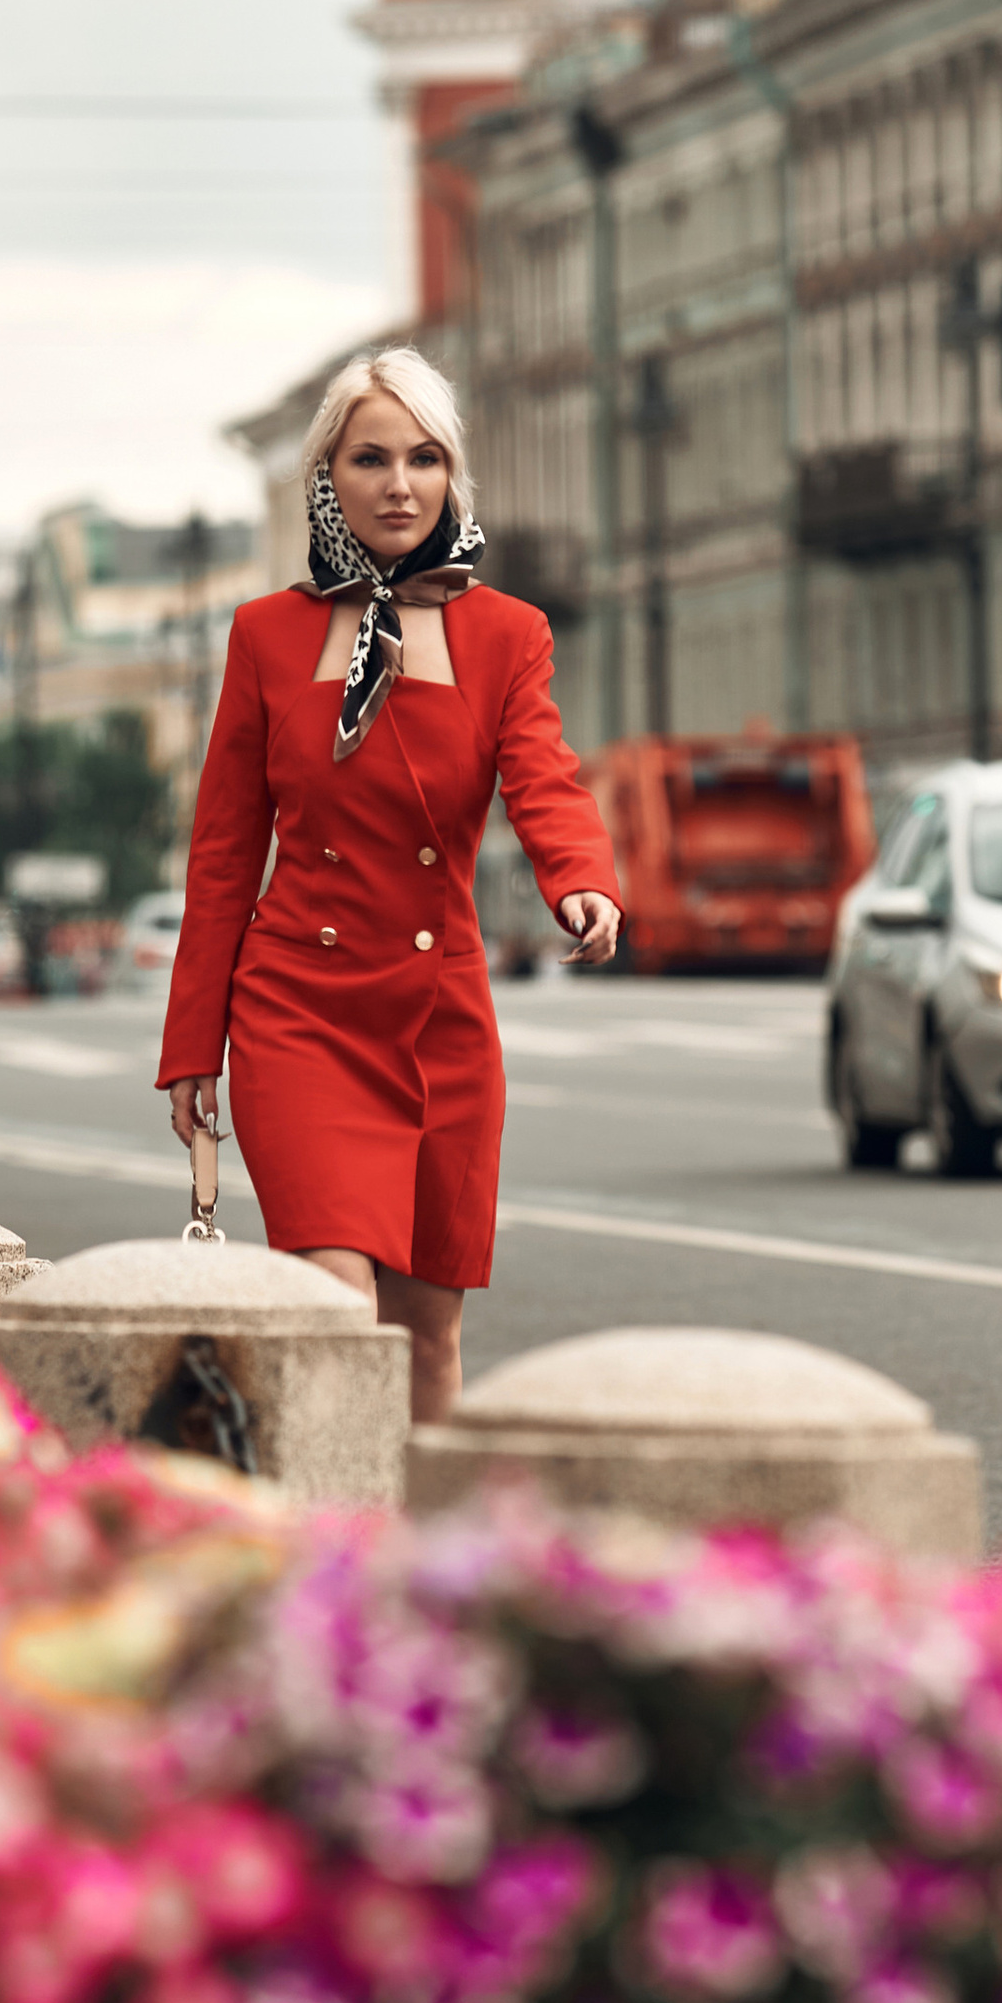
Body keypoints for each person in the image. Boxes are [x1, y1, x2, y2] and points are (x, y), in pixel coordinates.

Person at [159, 348, 621, 1426]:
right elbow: (225, 853)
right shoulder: (265, 635)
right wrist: (193, 1045)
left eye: (423, 458)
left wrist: (580, 880)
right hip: (300, 1014)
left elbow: (543, 777)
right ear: (329, 473)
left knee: (426, 1336)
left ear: (451, 474)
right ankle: (340, 1550)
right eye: (371, 458)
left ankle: (420, 1572)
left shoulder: (507, 633)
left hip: (439, 1018)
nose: (399, 484)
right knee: (335, 1306)